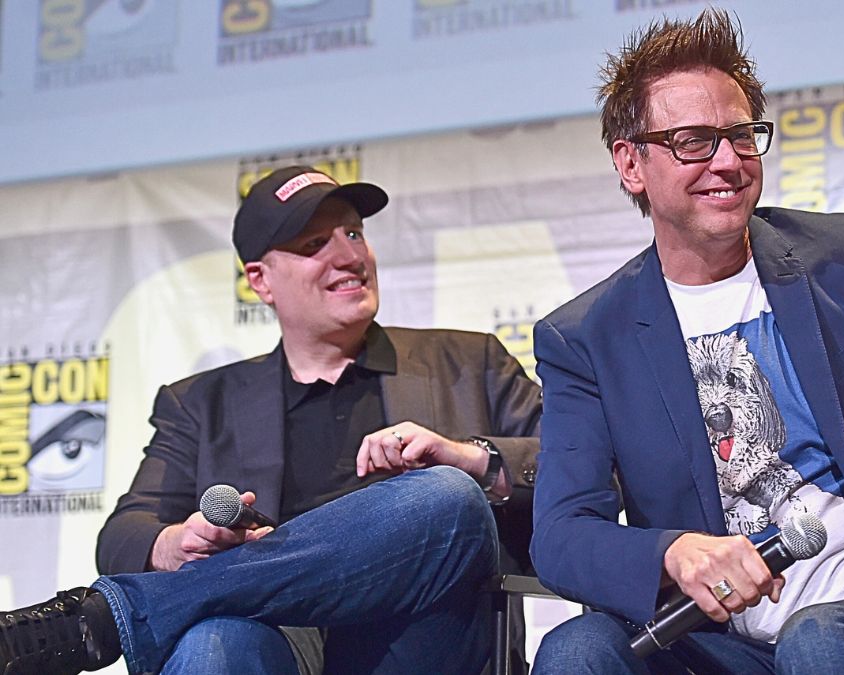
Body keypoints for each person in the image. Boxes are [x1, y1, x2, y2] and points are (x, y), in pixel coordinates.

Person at [530, 9, 844, 674]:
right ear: (631, 163)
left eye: (741, 136)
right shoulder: (586, 337)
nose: (727, 161)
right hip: (726, 640)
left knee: (820, 638)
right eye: (692, 141)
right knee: (574, 651)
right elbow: (564, 534)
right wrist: (675, 551)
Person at [0, 166, 542, 675]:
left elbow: (586, 474)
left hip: (426, 630)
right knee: (214, 645)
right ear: (260, 280)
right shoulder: (201, 403)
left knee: (444, 496)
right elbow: (123, 534)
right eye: (314, 245)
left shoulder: (469, 362)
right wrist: (176, 542)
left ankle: (107, 618)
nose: (349, 256)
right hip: (281, 638)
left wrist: (473, 459)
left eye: (354, 234)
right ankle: (133, 612)